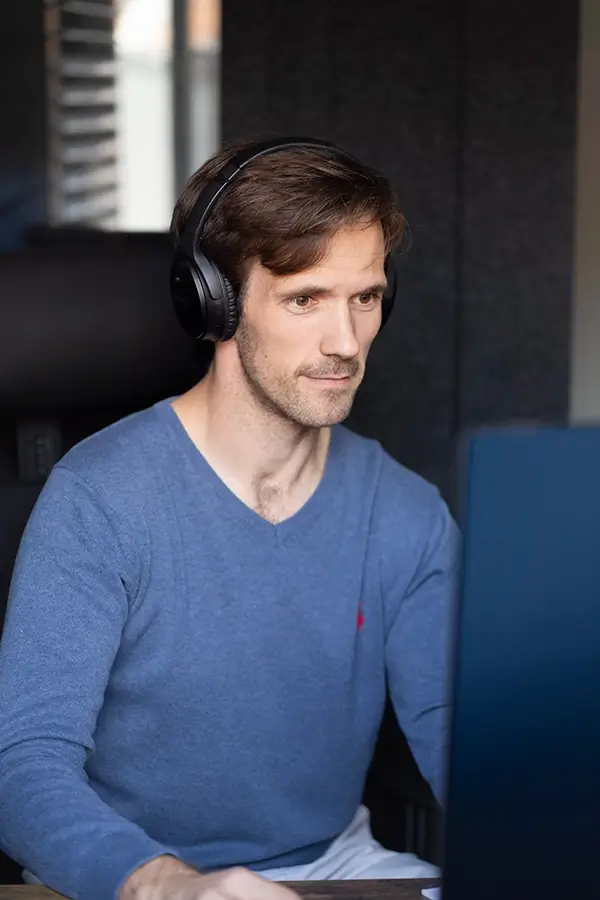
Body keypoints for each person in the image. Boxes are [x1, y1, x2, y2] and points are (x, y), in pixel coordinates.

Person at [0, 137, 459, 900]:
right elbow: (22, 761)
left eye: (366, 297)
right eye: (305, 298)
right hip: (128, 874)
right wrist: (166, 884)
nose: (345, 342)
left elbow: (456, 730)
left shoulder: (404, 511)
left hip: (335, 864)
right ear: (213, 299)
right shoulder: (99, 499)